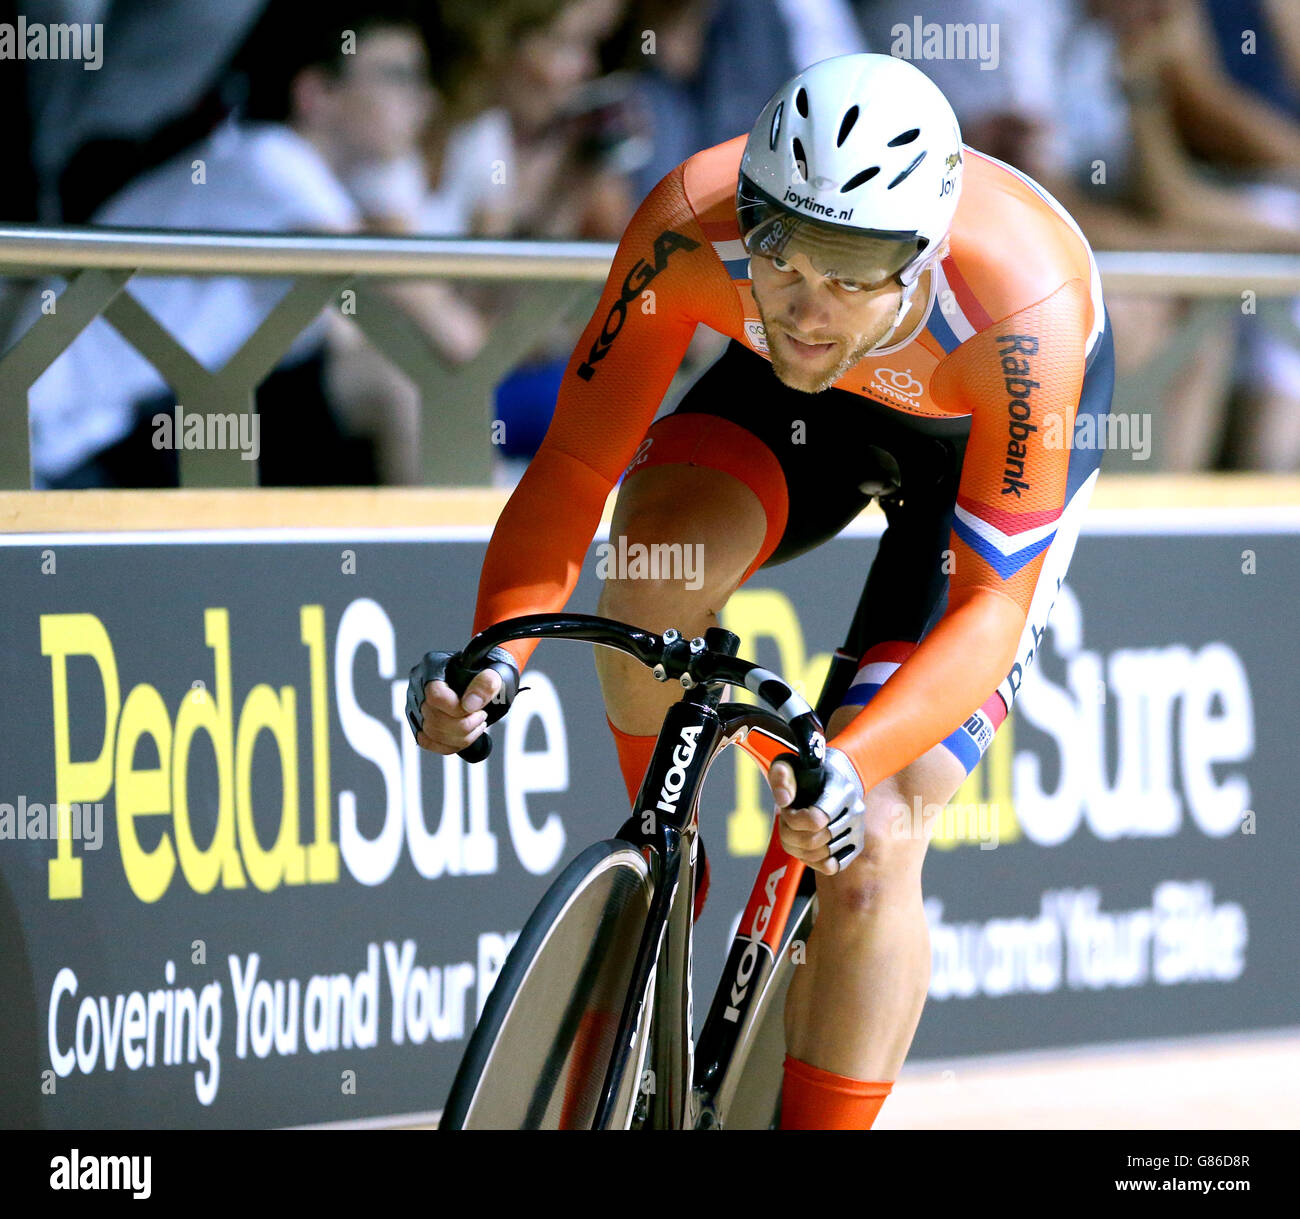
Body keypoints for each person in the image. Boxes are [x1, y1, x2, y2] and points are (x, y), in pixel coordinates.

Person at [409, 53, 1114, 1129]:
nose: (810, 302)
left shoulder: (1026, 313)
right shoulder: (692, 220)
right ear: (749, 213)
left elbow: (987, 605)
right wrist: (497, 650)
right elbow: (574, 469)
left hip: (970, 439)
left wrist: (849, 766)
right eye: (783, 256)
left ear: (919, 256)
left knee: (875, 835)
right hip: (801, 409)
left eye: (853, 271)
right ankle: (662, 863)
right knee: (651, 567)